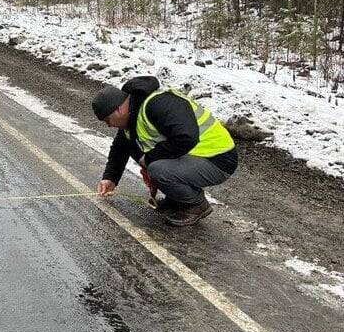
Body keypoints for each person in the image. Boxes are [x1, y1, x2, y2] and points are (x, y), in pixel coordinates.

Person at [92, 75, 237, 227]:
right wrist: (110, 178)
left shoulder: (158, 104)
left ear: (118, 110)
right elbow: (120, 148)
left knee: (157, 168)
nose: (108, 125)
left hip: (218, 158)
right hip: (198, 157)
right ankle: (178, 198)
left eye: (107, 120)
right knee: (145, 158)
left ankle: (197, 204)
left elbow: (186, 137)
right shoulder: (132, 115)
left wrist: (150, 159)